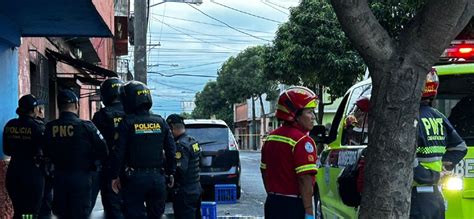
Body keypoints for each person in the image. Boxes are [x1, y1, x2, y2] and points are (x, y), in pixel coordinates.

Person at [110, 81, 176, 219]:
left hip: (134, 179)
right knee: (156, 215)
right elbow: (171, 150)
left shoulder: (127, 122)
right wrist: (171, 172)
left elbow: (119, 152)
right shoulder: (160, 121)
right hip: (158, 179)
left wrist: (114, 175)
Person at [411, 68, 467, 218]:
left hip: (415, 196)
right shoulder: (438, 116)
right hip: (436, 197)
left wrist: (431, 175)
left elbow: (408, 159)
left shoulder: (410, 119)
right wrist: (443, 168)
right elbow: (461, 147)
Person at [43, 89, 108, 219]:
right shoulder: (86, 126)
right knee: (80, 213)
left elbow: (45, 151)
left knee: (62, 213)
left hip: (59, 178)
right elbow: (104, 150)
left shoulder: (49, 127)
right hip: (81, 178)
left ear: (59, 106)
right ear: (77, 105)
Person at [260, 86, 319, 219]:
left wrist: (274, 195)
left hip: (272, 204)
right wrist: (309, 212)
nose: (313, 117)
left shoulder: (270, 138)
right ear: (295, 114)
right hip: (294, 206)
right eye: (309, 112)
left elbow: (264, 171)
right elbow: (305, 179)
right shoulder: (303, 141)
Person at [3, 94, 45, 219]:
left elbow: (7, 150)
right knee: (30, 213)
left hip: (13, 172)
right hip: (31, 175)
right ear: (33, 110)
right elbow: (45, 150)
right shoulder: (37, 127)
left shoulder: (10, 125)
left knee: (18, 210)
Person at [90, 78, 126, 219]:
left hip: (108, 170)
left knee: (112, 209)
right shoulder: (131, 115)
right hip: (130, 170)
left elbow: (94, 144)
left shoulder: (100, 116)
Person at [166, 114, 202, 219]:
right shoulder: (193, 141)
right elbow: (201, 162)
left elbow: (180, 170)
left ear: (172, 128)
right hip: (196, 188)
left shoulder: (180, 145)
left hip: (184, 192)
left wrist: (169, 177)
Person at [36, 103, 54, 219]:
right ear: (39, 110)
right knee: (44, 201)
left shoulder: (11, 124)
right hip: (41, 170)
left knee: (23, 208)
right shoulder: (41, 127)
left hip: (17, 169)